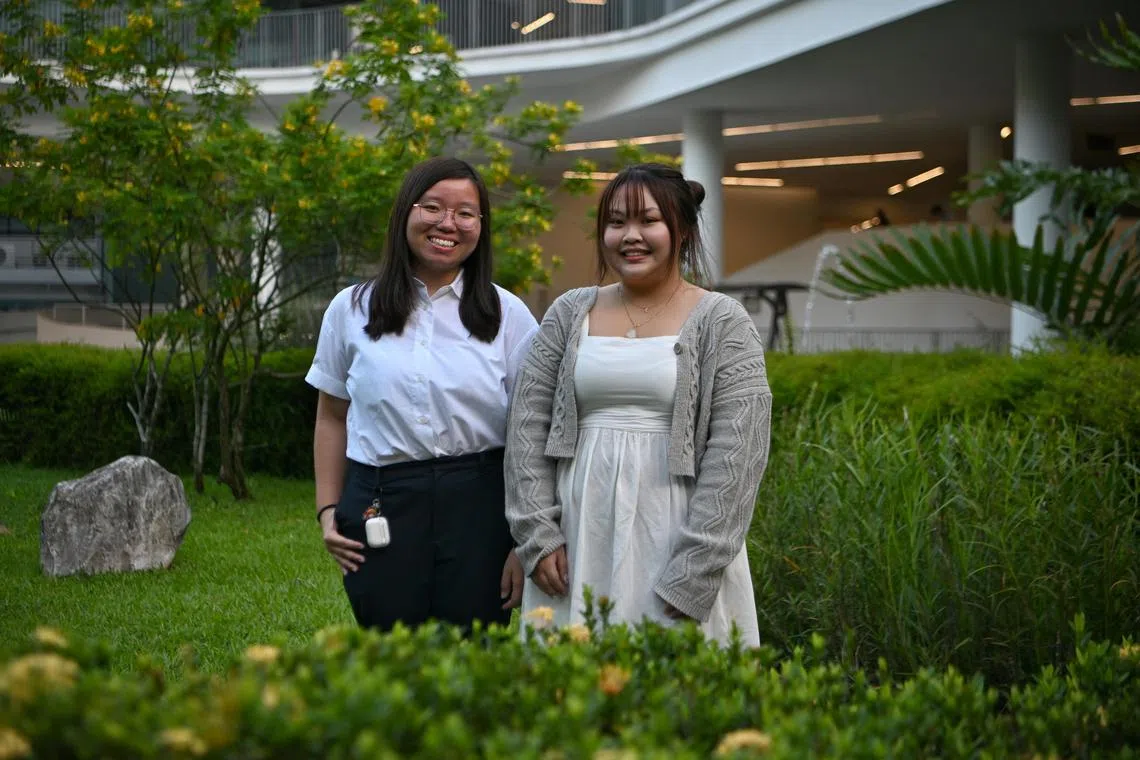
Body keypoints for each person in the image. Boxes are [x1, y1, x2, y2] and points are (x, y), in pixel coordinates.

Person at [505, 163, 772, 646]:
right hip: (580, 531)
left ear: (683, 230)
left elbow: (740, 452)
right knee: (575, 688)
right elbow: (527, 428)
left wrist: (697, 565)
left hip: (675, 532)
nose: (630, 236)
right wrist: (537, 537)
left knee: (680, 691)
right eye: (616, 222)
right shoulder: (570, 313)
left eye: (648, 220)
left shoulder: (722, 321)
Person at [306, 156, 538, 632]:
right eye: (432, 207)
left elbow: (531, 430)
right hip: (381, 500)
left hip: (482, 504)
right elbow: (331, 415)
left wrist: (524, 539)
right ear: (404, 215)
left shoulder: (509, 315)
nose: (447, 224)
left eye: (466, 213)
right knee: (389, 652)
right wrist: (328, 511)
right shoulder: (350, 309)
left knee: (475, 654)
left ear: (481, 225)